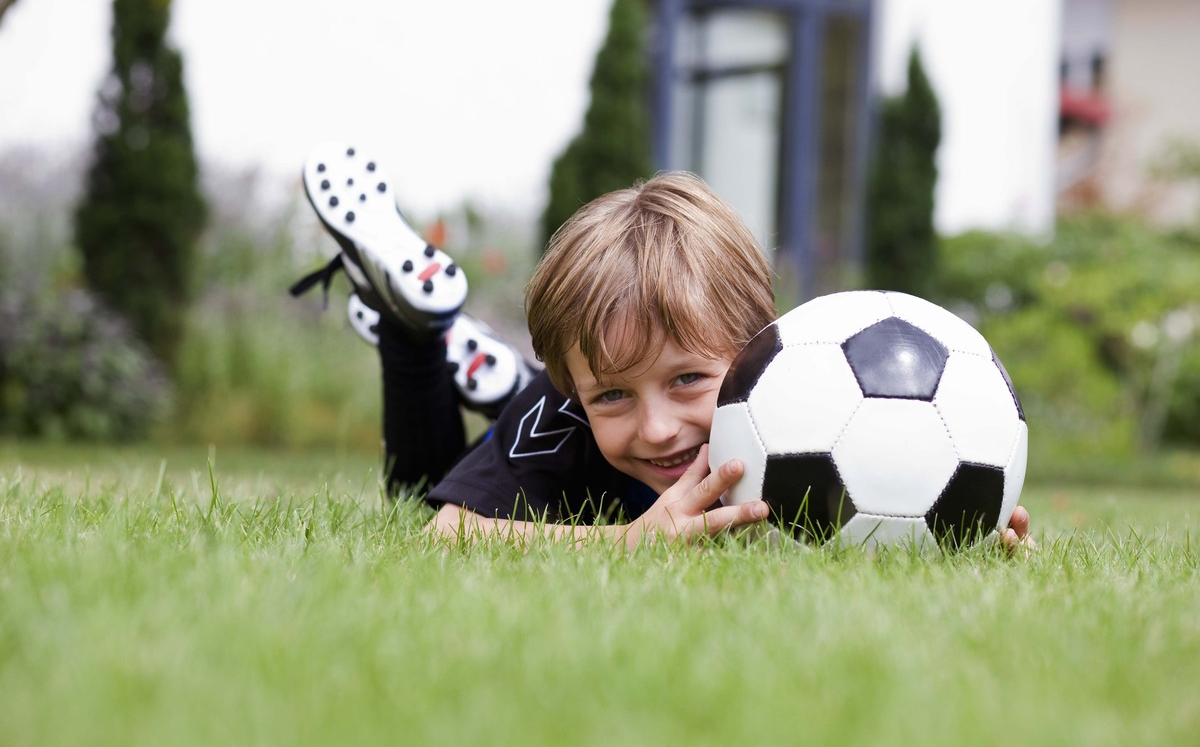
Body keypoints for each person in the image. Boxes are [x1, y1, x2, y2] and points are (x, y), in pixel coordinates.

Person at [294, 142, 1034, 550]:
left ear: (755, 353)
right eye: (615, 393)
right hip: (555, 429)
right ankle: (417, 334)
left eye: (687, 381)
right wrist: (622, 544)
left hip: (561, 385)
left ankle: (490, 371)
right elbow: (445, 532)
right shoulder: (568, 414)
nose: (655, 428)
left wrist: (964, 529)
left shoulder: (816, 395)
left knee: (547, 404)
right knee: (420, 485)